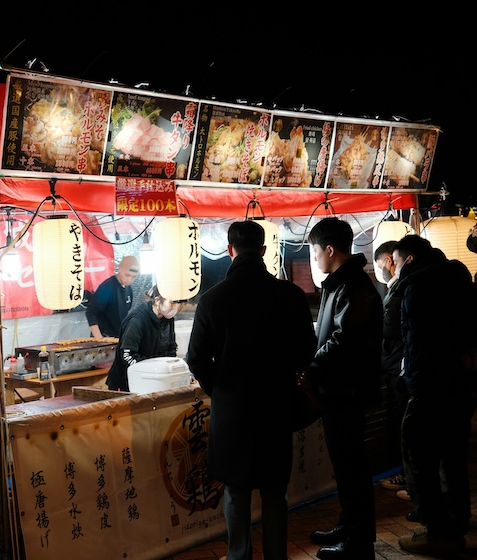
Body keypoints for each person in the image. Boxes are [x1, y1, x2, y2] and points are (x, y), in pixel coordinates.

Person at [185, 220, 316, 560]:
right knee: (275, 493)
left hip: (233, 415)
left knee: (236, 493)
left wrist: (223, 390)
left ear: (230, 251)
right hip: (276, 407)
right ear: (264, 250)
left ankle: (238, 556)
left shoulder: (213, 300)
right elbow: (307, 351)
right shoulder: (290, 295)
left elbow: (196, 358)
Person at [390, 234, 476, 556]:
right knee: (452, 456)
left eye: (396, 262)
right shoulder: (459, 279)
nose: (394, 269)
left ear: (409, 260)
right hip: (459, 384)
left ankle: (436, 530)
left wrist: (414, 381)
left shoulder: (417, 287)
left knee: (418, 457)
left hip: (429, 387)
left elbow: (420, 343)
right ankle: (456, 521)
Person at [306, 217, 382, 560]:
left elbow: (343, 341)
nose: (315, 258)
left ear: (330, 250)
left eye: (315, 251)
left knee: (352, 467)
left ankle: (359, 542)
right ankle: (348, 524)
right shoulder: (341, 283)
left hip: (346, 391)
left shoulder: (352, 286)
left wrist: (311, 366)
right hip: (338, 389)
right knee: (345, 465)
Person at [373, 240, 409, 496]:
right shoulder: (397, 289)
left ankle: (411, 479)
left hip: (401, 367)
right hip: (399, 365)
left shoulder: (400, 290)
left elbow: (391, 328)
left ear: (389, 259)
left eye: (379, 264)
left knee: (408, 426)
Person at [104, 284, 180, 391]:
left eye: (179, 302)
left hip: (155, 381)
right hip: (127, 384)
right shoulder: (137, 320)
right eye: (172, 303)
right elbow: (127, 355)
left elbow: (171, 349)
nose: (177, 307)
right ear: (158, 301)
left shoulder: (167, 319)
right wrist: (152, 369)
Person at [85, 255, 140, 338]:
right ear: (120, 268)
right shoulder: (107, 287)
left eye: (133, 277)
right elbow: (91, 312)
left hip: (118, 337)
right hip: (104, 336)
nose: (130, 280)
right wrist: (99, 339)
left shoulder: (129, 290)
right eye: (127, 275)